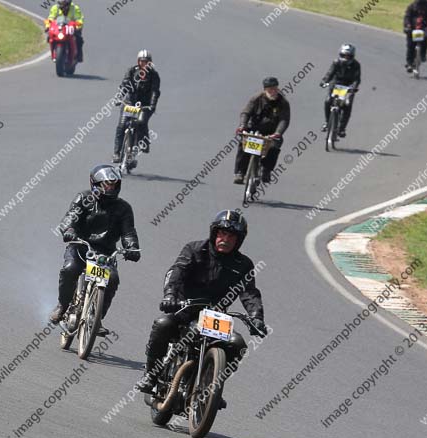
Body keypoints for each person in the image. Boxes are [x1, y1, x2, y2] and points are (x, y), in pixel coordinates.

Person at [136, 210, 267, 406]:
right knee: (162, 324)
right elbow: (176, 272)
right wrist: (170, 295)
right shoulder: (195, 249)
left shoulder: (243, 264)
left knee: (237, 344)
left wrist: (256, 317)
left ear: (239, 240)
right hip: (184, 310)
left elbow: (250, 293)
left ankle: (212, 385)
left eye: (231, 236)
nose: (225, 239)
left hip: (215, 317)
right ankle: (151, 375)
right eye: (222, 234)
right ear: (214, 233)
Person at [49, 165, 140, 327]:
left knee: (112, 279)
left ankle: (96, 319)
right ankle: (62, 306)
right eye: (106, 184)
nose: (110, 188)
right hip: (80, 246)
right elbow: (70, 217)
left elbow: (128, 232)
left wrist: (132, 247)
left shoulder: (124, 208)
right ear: (95, 184)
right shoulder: (84, 198)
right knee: (70, 269)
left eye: (113, 184)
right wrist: (69, 229)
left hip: (105, 253)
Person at [233, 77, 290, 185]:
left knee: (274, 148)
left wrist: (278, 133)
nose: (273, 91)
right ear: (265, 90)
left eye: (275, 88)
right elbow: (246, 112)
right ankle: (240, 173)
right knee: (243, 145)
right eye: (270, 89)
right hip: (254, 129)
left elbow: (284, 120)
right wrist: (242, 125)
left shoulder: (283, 102)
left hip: (271, 133)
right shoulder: (256, 99)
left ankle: (266, 171)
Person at [113, 50, 161, 163]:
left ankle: (142, 143)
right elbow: (125, 84)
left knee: (141, 122)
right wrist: (120, 97)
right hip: (129, 103)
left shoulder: (154, 75)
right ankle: (116, 153)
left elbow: (155, 91)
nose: (144, 64)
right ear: (138, 61)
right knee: (121, 126)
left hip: (145, 105)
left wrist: (152, 105)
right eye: (142, 61)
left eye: (146, 61)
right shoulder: (131, 71)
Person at [320, 44, 361, 138]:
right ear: (340, 54)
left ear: (352, 56)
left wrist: (354, 87)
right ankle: (327, 122)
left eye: (348, 56)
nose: (346, 58)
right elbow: (330, 73)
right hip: (335, 85)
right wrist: (324, 81)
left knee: (347, 105)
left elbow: (357, 79)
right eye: (344, 55)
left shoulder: (356, 65)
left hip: (348, 86)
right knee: (328, 101)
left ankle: (342, 128)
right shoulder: (336, 62)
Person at [403, 0, 427, 71]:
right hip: (412, 28)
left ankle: (423, 54)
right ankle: (409, 63)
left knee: (426, 38)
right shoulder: (412, 6)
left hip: (424, 28)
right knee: (410, 46)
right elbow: (407, 16)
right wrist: (407, 25)